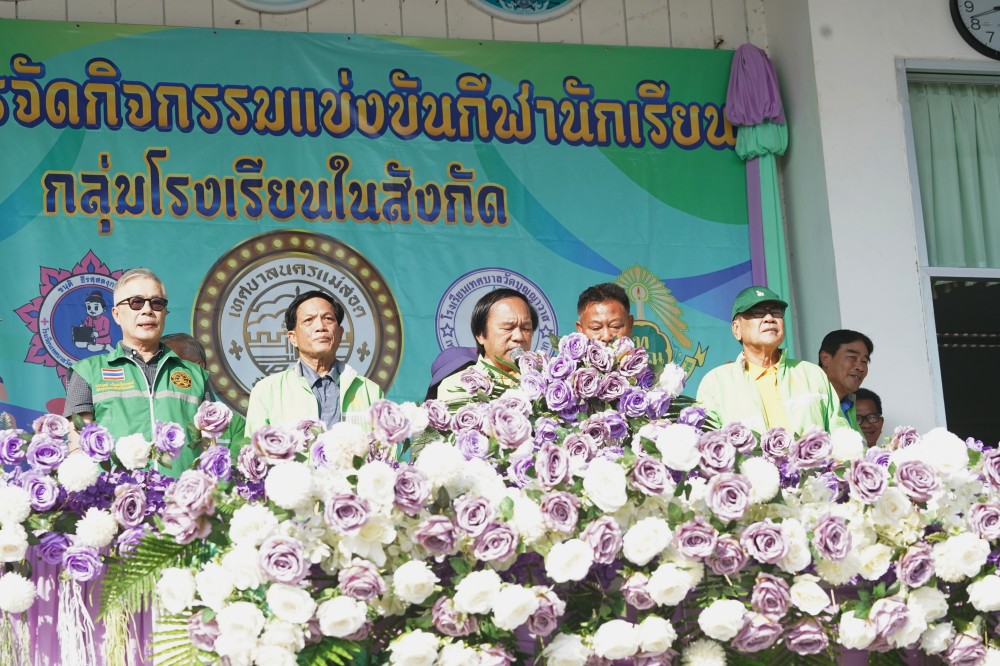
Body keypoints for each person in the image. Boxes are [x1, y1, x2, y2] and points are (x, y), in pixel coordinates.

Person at [63, 268, 212, 475]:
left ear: (165, 312)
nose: (147, 310)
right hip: (116, 493)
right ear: (116, 314)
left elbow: (209, 449)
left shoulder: (196, 375)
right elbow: (78, 451)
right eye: (136, 302)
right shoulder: (87, 372)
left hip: (182, 494)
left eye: (157, 303)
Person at [696, 286, 849, 436]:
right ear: (736, 329)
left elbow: (842, 438)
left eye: (776, 312)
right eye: (757, 312)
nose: (769, 318)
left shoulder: (811, 374)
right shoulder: (716, 383)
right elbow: (708, 444)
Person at [245, 289, 383, 434]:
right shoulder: (266, 391)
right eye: (308, 320)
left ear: (340, 333)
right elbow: (255, 446)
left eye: (328, 318)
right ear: (293, 338)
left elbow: (384, 447)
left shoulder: (370, 391)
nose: (320, 327)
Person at [436, 288, 538, 403]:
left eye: (526, 328)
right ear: (480, 335)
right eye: (508, 328)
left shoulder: (545, 381)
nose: (518, 336)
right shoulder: (458, 386)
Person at [163, 332, 247, 452]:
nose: (165, 372)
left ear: (198, 367)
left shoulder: (235, 424)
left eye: (173, 364)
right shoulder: (159, 420)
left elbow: (238, 462)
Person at [818, 329, 874, 433]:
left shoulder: (849, 406)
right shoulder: (809, 400)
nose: (860, 367)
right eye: (852, 357)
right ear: (825, 358)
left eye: (864, 361)